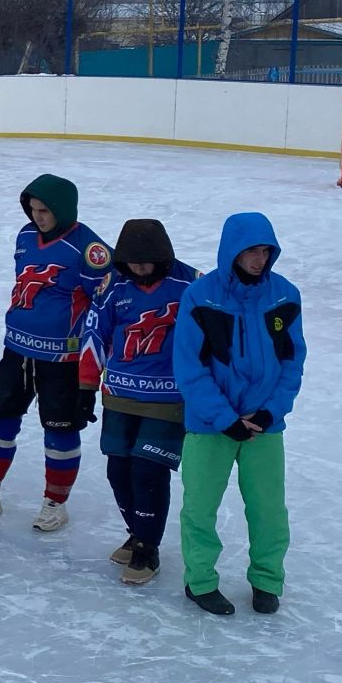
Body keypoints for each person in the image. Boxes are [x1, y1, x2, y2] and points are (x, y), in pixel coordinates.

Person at [0, 174, 111, 532]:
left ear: (64, 209)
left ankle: (56, 503)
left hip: (62, 361)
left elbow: (105, 306)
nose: (37, 217)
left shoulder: (89, 251)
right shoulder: (25, 236)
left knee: (60, 433)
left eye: (44, 210)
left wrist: (93, 365)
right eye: (33, 209)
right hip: (17, 351)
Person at [172, 213, 305, 616]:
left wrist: (268, 414)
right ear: (232, 250)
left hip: (264, 427)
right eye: (251, 251)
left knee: (268, 509)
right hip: (210, 427)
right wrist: (224, 419)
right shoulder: (200, 296)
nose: (260, 259)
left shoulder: (284, 295)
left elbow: (292, 362)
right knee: (200, 507)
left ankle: (266, 580)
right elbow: (189, 368)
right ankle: (199, 581)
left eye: (266, 251)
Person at [78, 219, 198, 585]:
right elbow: (94, 331)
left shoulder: (191, 283)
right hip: (119, 396)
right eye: (133, 262)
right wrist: (85, 388)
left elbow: (213, 339)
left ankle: (148, 547)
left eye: (147, 262)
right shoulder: (114, 283)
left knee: (148, 472)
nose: (139, 269)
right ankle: (137, 531)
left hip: (168, 400)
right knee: (119, 472)